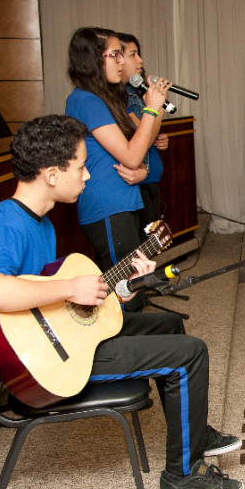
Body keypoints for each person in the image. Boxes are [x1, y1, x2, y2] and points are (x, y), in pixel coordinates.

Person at [0, 115, 244, 489]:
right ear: (51, 174)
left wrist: (121, 288)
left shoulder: (42, 224)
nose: (87, 177)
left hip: (54, 342)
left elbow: (50, 303)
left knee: (166, 324)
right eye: (81, 167)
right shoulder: (6, 223)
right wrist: (72, 286)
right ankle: (181, 477)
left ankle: (194, 433)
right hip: (40, 366)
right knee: (191, 353)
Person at [65, 27, 169, 312]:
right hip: (107, 205)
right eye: (115, 55)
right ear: (91, 59)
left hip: (123, 200)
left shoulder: (104, 98)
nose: (122, 62)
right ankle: (124, 354)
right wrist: (152, 109)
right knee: (125, 293)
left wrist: (152, 110)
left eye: (123, 55)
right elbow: (132, 156)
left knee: (132, 287)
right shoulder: (86, 100)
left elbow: (141, 145)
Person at [116, 32, 170, 231]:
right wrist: (158, 106)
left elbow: (150, 135)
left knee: (148, 242)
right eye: (133, 54)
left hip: (151, 177)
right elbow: (144, 139)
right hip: (137, 182)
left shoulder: (137, 92)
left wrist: (160, 137)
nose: (140, 60)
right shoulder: (119, 99)